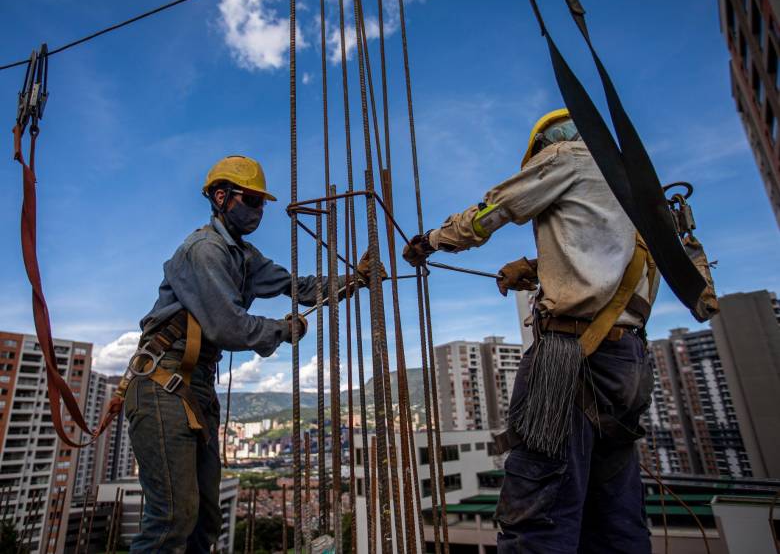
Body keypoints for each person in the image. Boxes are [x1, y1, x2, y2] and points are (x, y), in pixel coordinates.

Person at [403, 109, 658, 553]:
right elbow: (606, 259)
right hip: (629, 362)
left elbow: (496, 208)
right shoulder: (631, 186)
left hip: (571, 356)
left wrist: (432, 241)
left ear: (545, 144)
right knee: (614, 515)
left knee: (539, 512)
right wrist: (541, 269)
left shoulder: (568, 157)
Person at [123, 155, 376, 552]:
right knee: (173, 517)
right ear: (222, 197)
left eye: (262, 203)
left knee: (205, 521)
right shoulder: (205, 251)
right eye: (252, 201)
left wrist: (356, 281)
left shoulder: (245, 257)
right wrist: (283, 330)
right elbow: (228, 327)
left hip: (195, 386)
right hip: (164, 384)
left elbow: (300, 286)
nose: (260, 212)